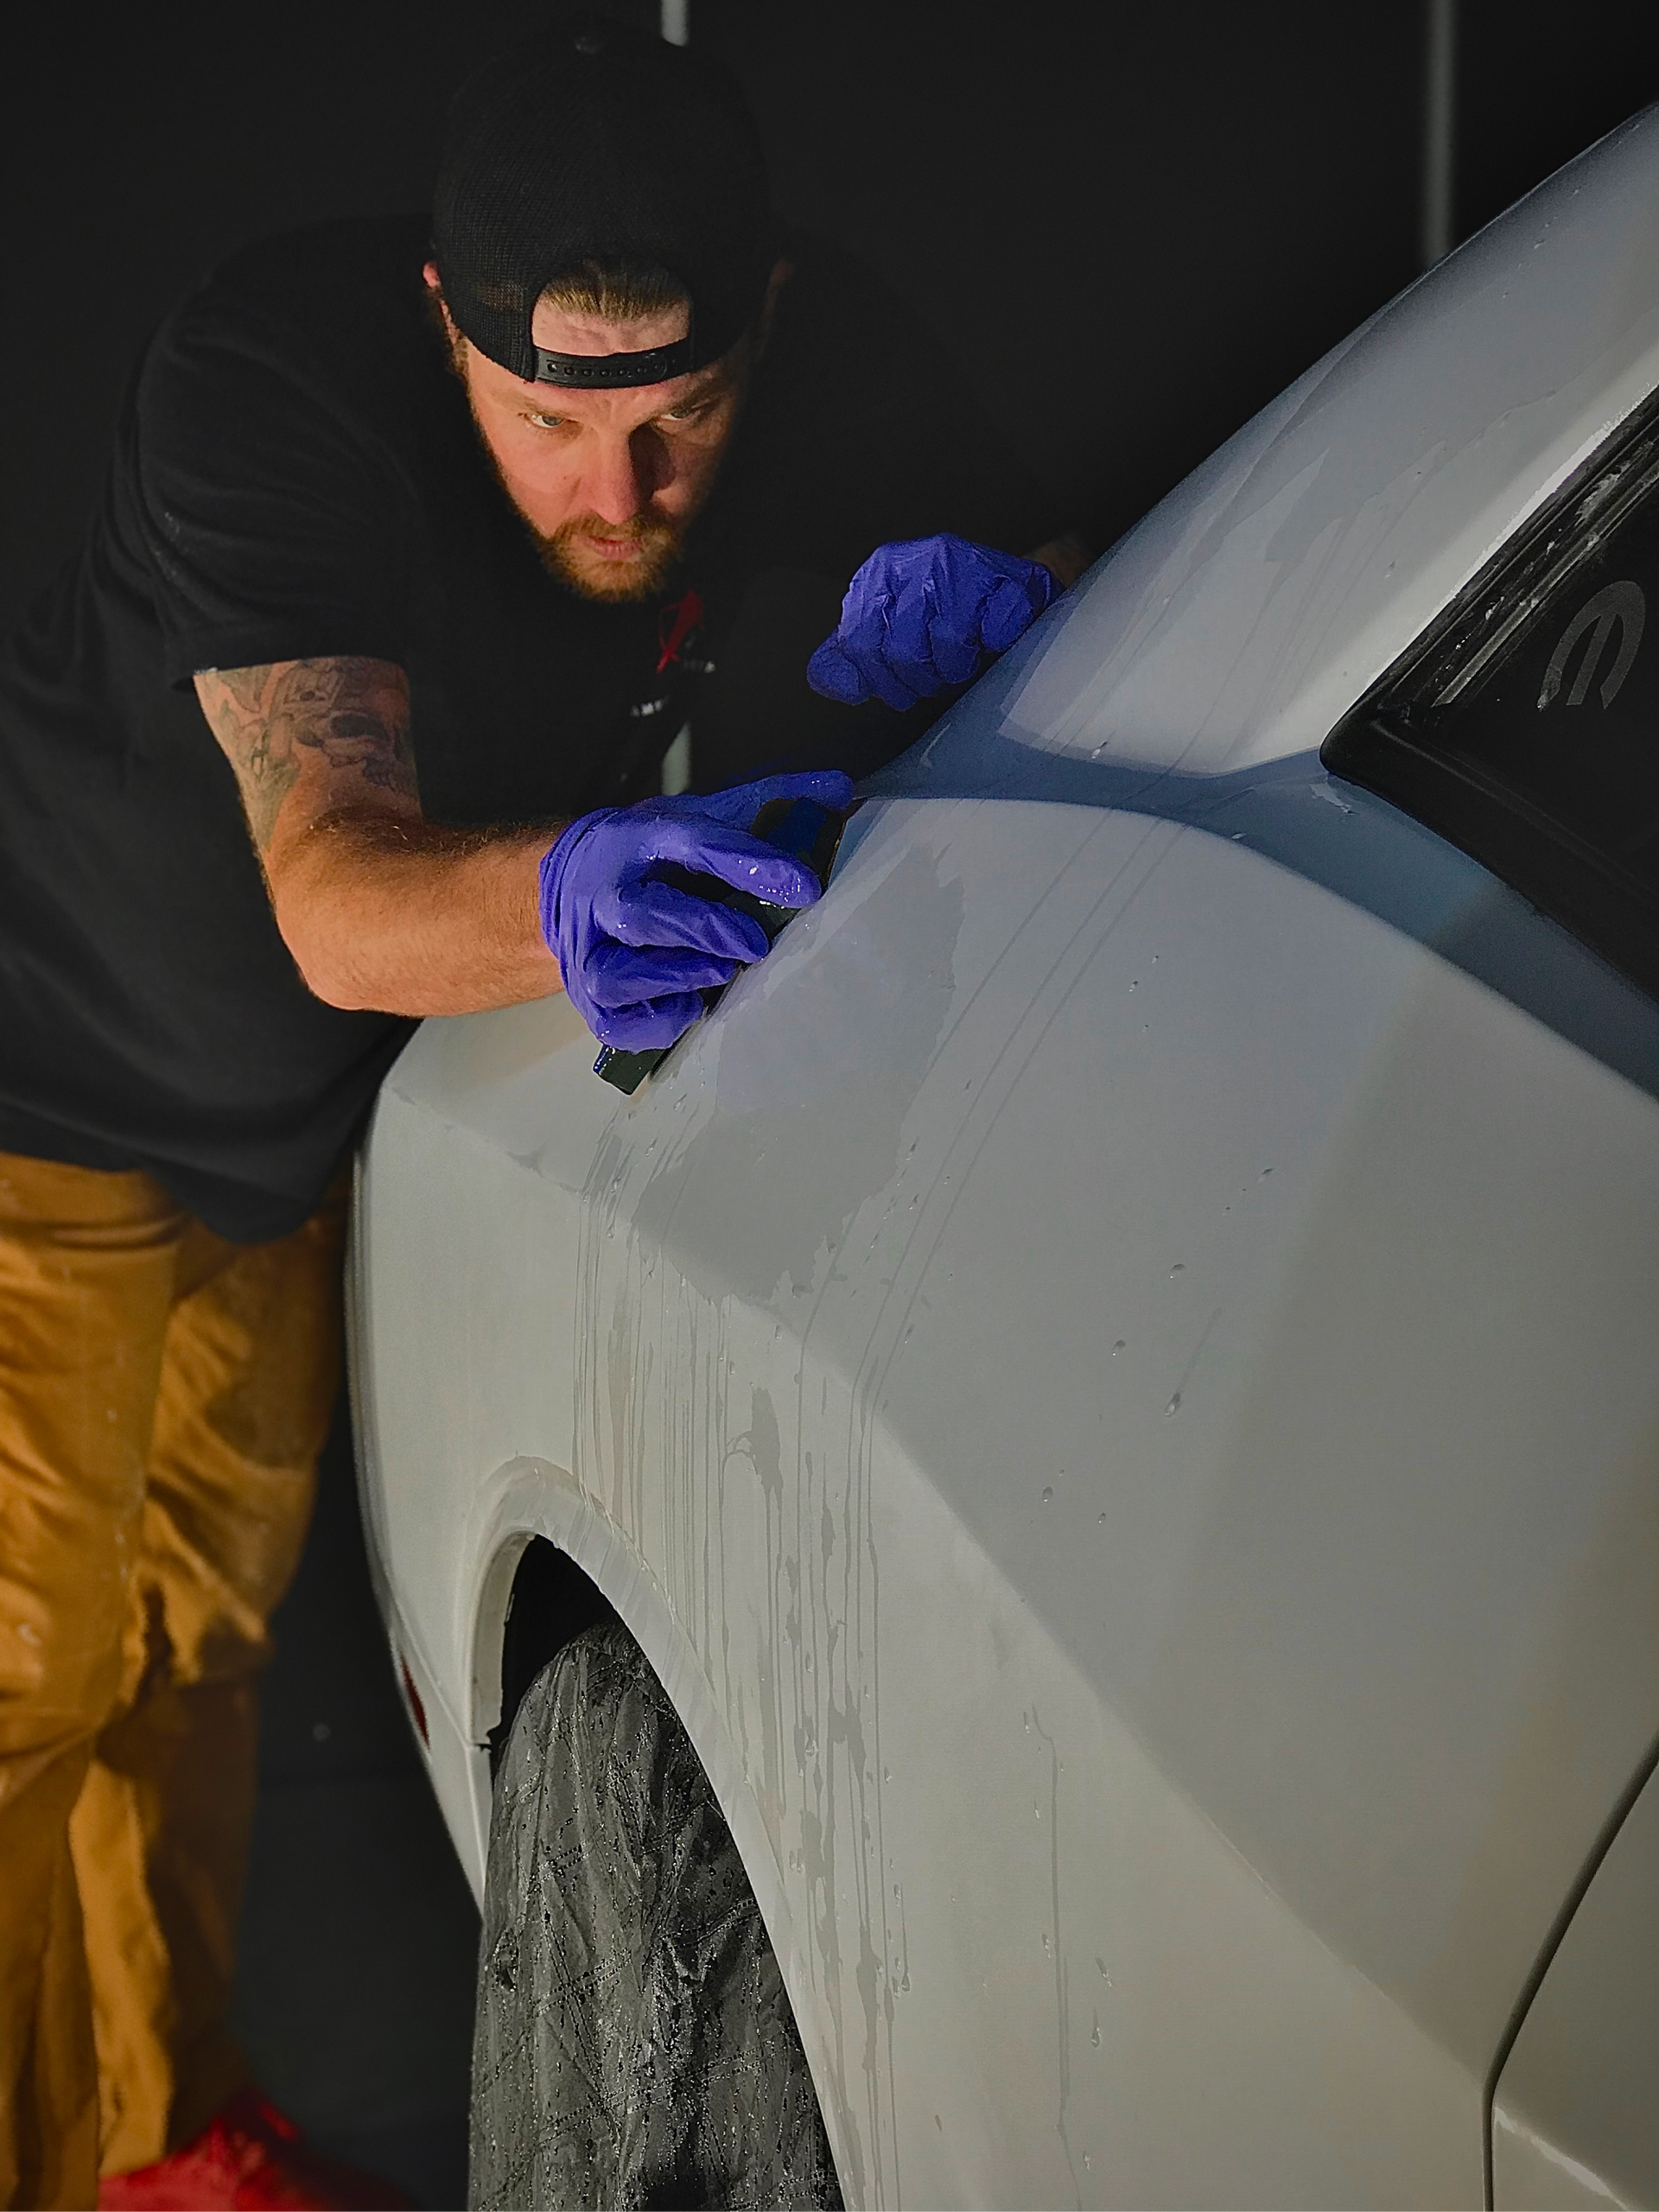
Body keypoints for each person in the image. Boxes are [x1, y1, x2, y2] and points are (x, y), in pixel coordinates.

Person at [0, 16, 1086, 2209]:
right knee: (23, 1681)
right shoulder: (271, 384)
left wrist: (1027, 611)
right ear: (445, 323)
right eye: (549, 418)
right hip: (46, 1082)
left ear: (760, 316)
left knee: (196, 1645)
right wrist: (570, 894)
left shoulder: (824, 352)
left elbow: (1083, 578)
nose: (621, 491)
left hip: (277, 1143)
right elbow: (335, 891)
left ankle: (154, 2135)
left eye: (680, 418)